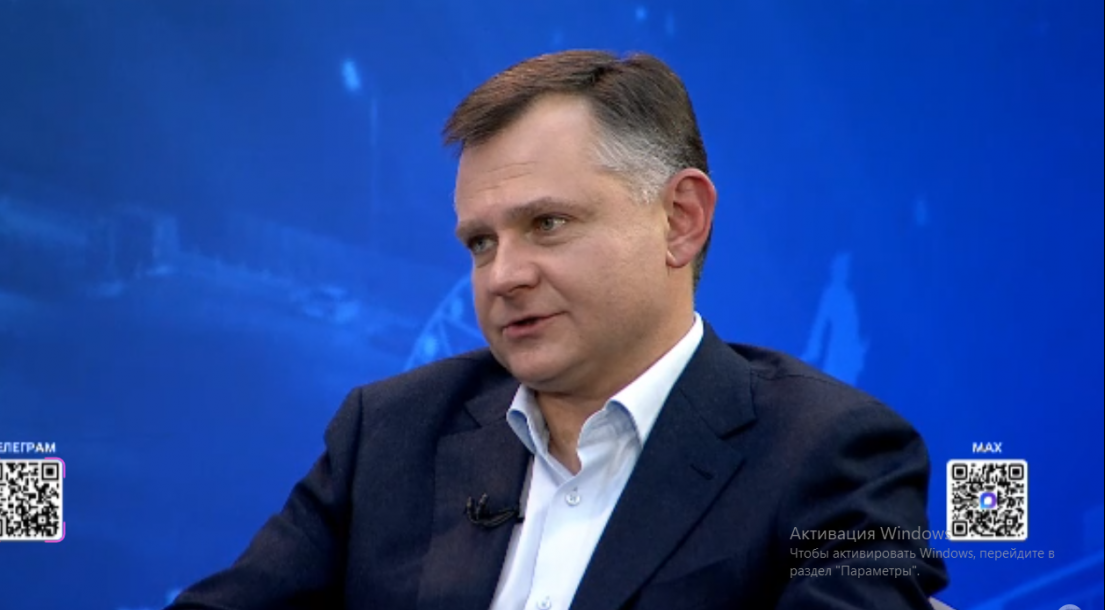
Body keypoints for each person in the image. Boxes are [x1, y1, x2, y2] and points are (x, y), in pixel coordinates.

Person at [167, 50, 949, 610]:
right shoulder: (391, 434)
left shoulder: (835, 458)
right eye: (481, 242)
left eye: (547, 223)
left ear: (680, 221)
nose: (502, 275)